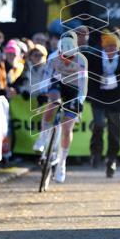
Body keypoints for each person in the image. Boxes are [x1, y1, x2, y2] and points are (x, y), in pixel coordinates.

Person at [34, 31, 88, 183]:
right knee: (53, 100)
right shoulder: (53, 57)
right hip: (57, 85)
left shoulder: (81, 60)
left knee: (67, 128)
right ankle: (42, 138)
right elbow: (46, 77)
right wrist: (43, 93)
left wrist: (80, 101)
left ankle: (62, 161)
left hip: (74, 90)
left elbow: (83, 84)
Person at [88, 31, 120, 177]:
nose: (111, 50)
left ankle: (112, 159)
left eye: (113, 47)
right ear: (103, 46)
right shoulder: (95, 58)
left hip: (116, 100)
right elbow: (88, 74)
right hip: (99, 98)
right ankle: (95, 153)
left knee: (115, 132)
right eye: (108, 47)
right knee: (99, 124)